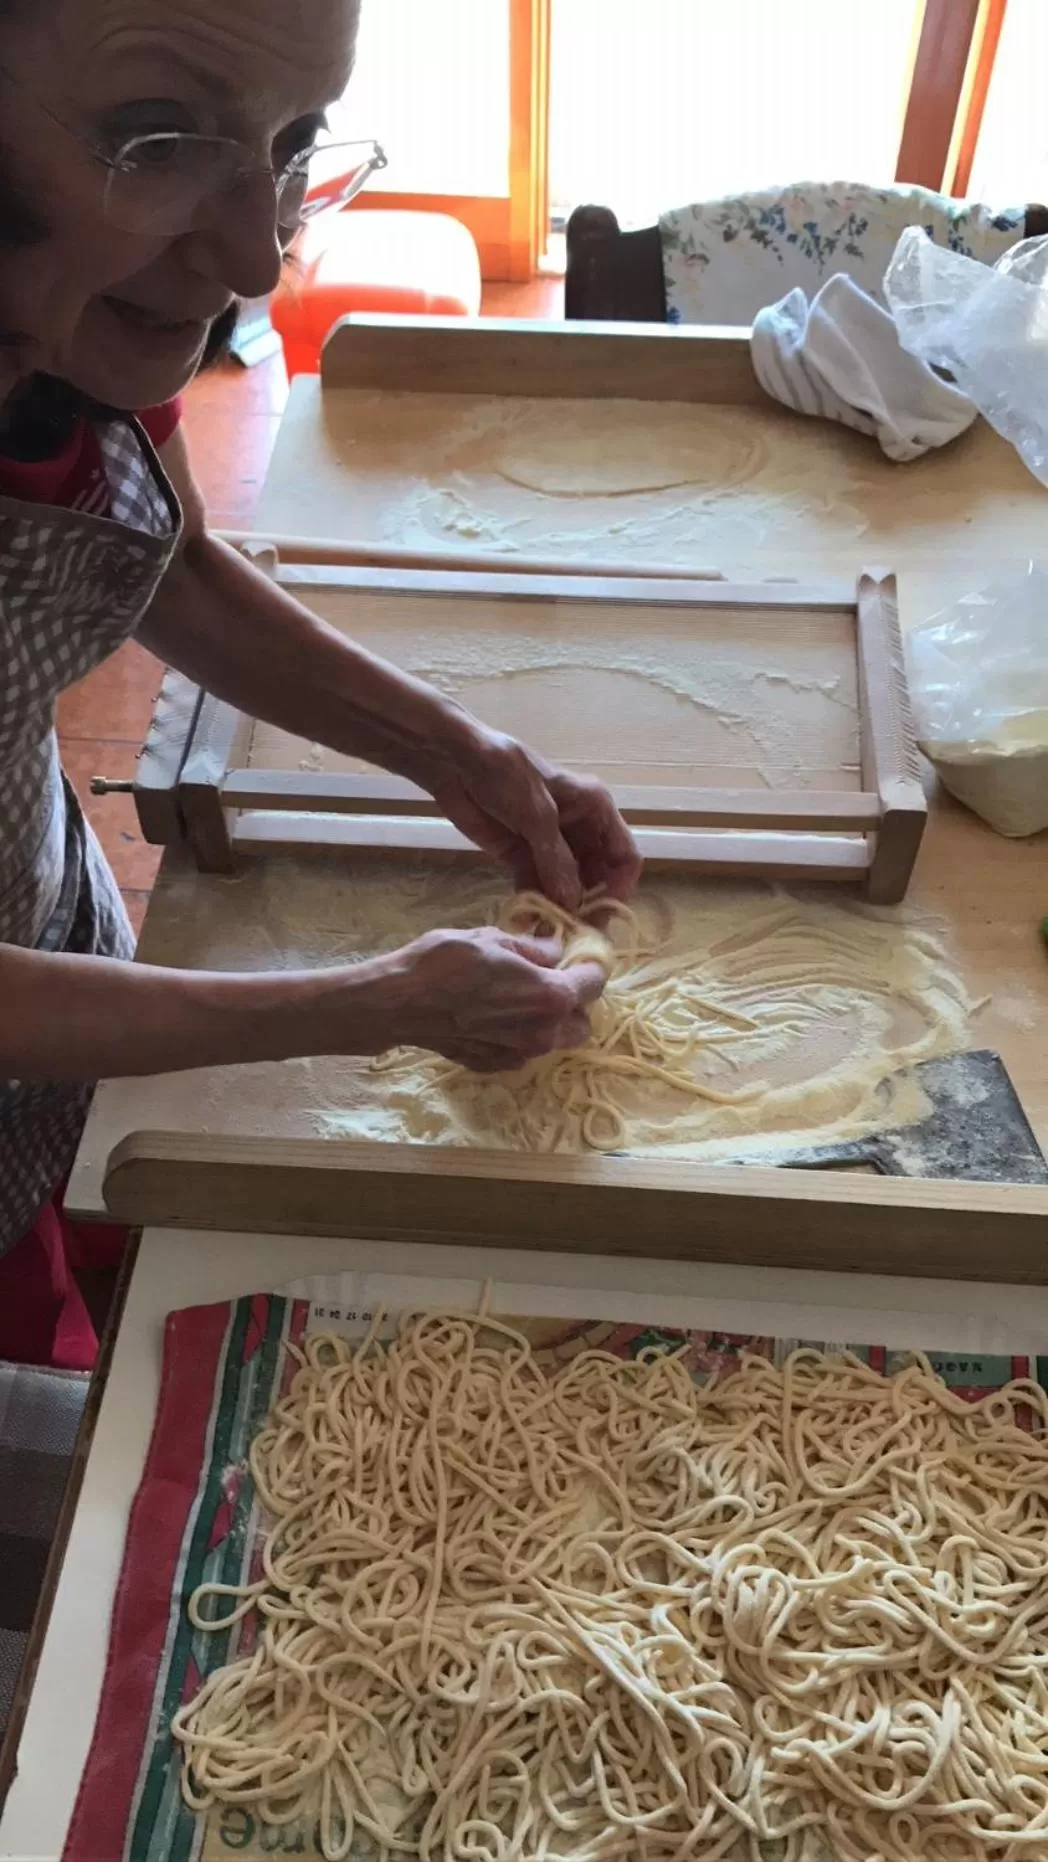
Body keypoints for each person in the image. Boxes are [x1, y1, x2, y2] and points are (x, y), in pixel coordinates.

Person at [0, 0, 641, 1366]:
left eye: (293, 143)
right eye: (157, 140)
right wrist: (376, 1000)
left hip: (51, 936)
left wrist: (456, 749)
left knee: (122, 1238)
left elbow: (163, 561)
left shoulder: (69, 317)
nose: (253, 259)